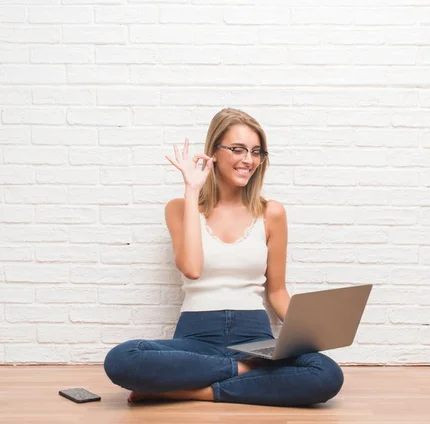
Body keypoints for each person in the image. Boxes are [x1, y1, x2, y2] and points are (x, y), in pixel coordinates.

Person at [103, 108, 344, 407]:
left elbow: (277, 292)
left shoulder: (272, 213)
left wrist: (308, 333)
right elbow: (192, 269)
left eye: (256, 152)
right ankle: (243, 375)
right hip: (196, 340)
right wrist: (192, 190)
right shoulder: (180, 208)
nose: (249, 160)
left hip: (255, 341)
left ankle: (193, 391)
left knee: (326, 373)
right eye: (238, 149)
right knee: (121, 359)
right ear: (214, 152)